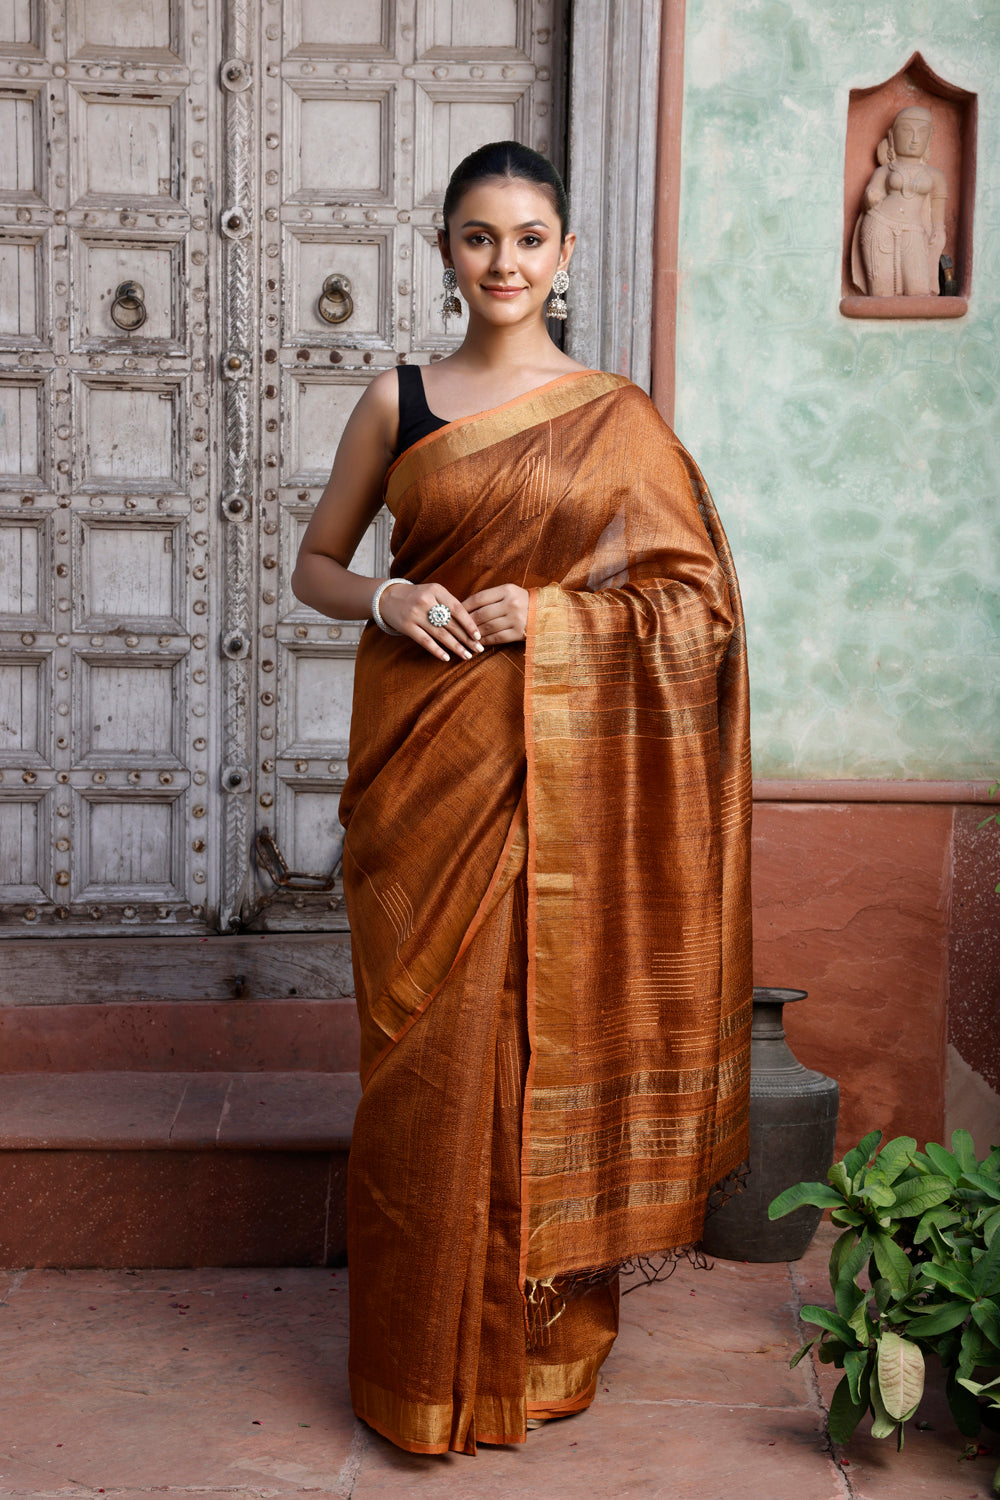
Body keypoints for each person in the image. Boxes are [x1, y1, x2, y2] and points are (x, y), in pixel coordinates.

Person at [292, 141, 752, 1457]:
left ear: (566, 253)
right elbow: (320, 564)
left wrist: (549, 617)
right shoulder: (400, 402)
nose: (506, 262)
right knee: (424, 1076)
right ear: (445, 249)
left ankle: (525, 1358)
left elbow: (696, 615)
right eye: (480, 237)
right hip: (421, 778)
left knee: (530, 1046)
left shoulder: (615, 415)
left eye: (531, 237)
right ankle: (413, 1374)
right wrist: (392, 595)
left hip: (557, 794)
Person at [851, 105, 947, 297]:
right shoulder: (884, 171)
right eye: (906, 131)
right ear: (892, 136)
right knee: (881, 291)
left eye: (922, 133)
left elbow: (938, 214)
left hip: (914, 230)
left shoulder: (935, 176)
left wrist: (938, 231)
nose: (914, 139)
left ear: (929, 138)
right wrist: (870, 197)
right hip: (878, 225)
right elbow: (870, 195)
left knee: (919, 290)